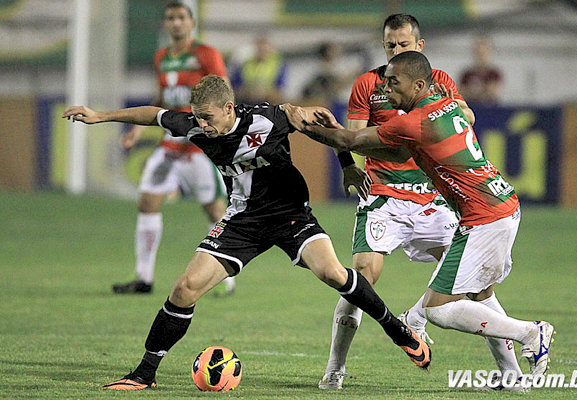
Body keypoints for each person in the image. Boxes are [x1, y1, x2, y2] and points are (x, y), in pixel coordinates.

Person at [62, 74, 432, 391]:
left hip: (291, 216)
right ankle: (144, 374)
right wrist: (102, 116)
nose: (202, 125)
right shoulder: (194, 124)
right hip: (242, 221)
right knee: (184, 288)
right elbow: (154, 115)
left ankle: (399, 332)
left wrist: (347, 165)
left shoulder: (268, 119)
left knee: (334, 273)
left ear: (228, 108)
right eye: (197, 118)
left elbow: (326, 129)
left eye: (207, 118)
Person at [286, 51, 555, 388]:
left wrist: (305, 125)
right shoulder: (444, 103)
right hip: (496, 207)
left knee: (440, 310)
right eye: (385, 78)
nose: (386, 86)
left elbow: (350, 140)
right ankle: (512, 376)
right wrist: (343, 138)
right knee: (471, 294)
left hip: (482, 217)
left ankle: (529, 331)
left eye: (394, 82)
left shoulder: (412, 120)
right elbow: (399, 151)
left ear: (417, 82)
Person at [318, 14, 477, 390]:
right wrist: (347, 166)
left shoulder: (439, 83)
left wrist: (440, 117)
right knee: (360, 281)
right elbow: (351, 136)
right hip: (383, 196)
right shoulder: (369, 84)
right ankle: (335, 370)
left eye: (403, 44)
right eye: (390, 45)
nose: (395, 50)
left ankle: (508, 369)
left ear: (419, 46)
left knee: (471, 279)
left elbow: (466, 115)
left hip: (430, 196)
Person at [112, 2, 234, 296]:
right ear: (165, 25)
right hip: (168, 147)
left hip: (199, 149)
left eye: (181, 17)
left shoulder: (206, 54)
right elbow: (161, 99)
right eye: (171, 18)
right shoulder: (162, 57)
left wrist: (222, 133)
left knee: (216, 211)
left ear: (191, 23)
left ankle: (226, 277)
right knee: (146, 203)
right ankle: (144, 277)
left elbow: (223, 92)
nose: (176, 23)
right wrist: (137, 129)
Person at [230, 36, 287, 105]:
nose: (262, 51)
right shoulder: (246, 64)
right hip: (247, 103)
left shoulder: (278, 65)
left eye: (264, 48)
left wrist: (264, 93)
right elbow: (235, 89)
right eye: (259, 48)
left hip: (270, 104)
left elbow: (280, 91)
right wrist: (249, 93)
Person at [459, 37, 503, 105]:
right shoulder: (467, 74)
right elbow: (461, 92)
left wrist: (473, 91)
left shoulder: (494, 74)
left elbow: (492, 92)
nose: (480, 55)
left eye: (483, 52)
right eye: (478, 51)